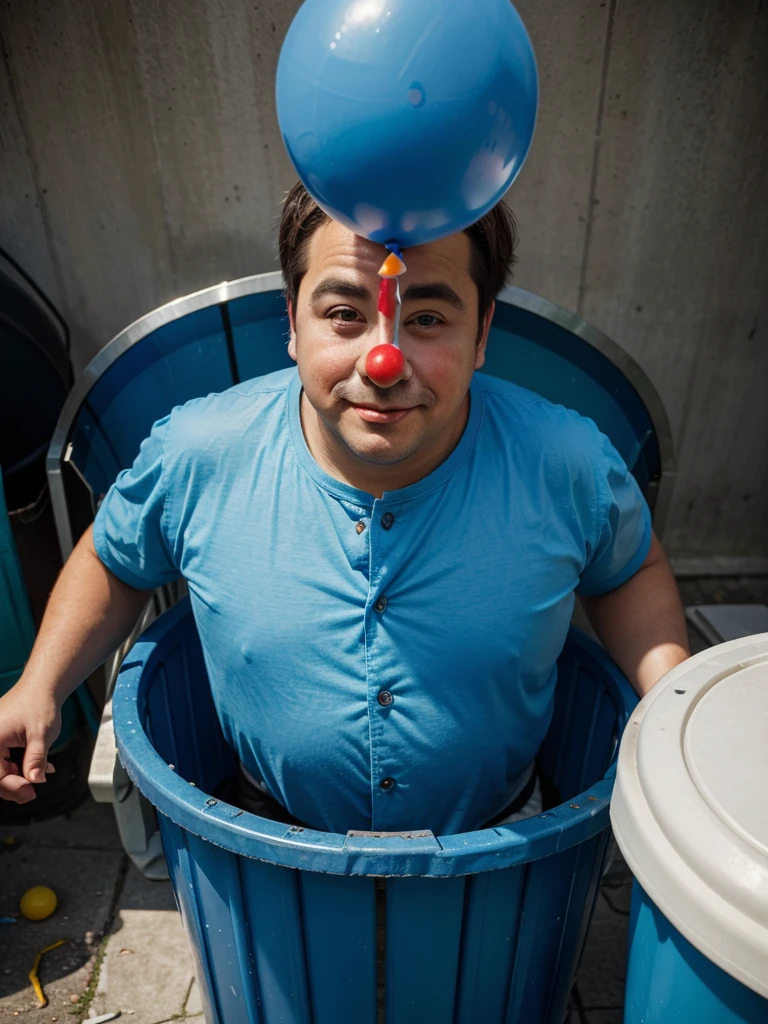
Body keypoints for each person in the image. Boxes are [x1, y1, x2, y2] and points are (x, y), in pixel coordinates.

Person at [0, 183, 690, 834]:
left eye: (425, 318)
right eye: (344, 315)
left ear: (481, 333)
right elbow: (116, 560)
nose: (382, 361)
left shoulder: (566, 464)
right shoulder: (197, 455)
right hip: (268, 836)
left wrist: (672, 708)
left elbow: (627, 569)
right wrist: (40, 685)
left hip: (500, 832)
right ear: (292, 325)